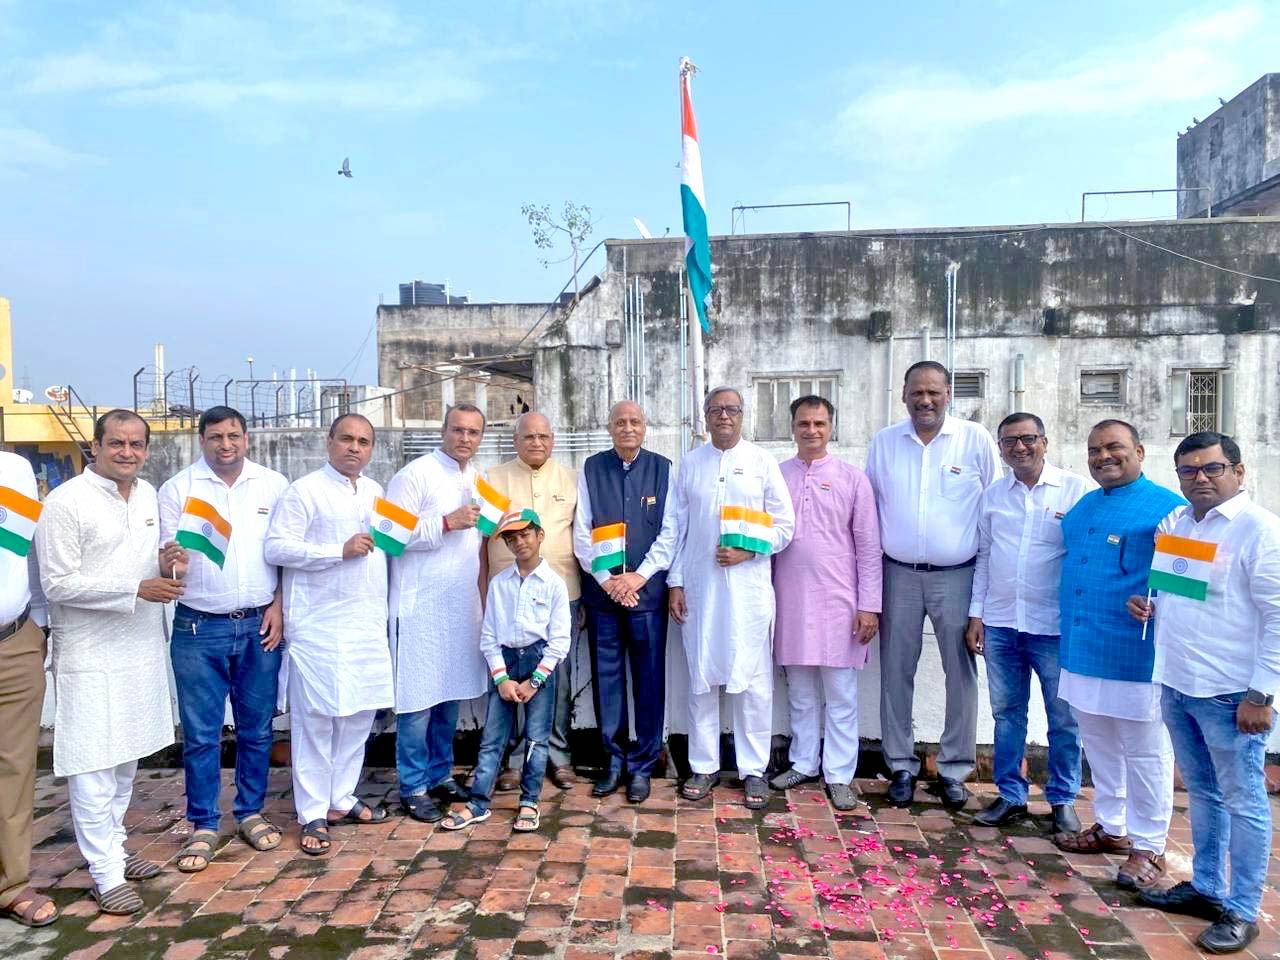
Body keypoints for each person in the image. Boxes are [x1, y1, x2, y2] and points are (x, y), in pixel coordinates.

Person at [1128, 432, 1280, 953]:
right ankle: (1208, 888)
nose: (1200, 478)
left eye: (1212, 468)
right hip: (1178, 682)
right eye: (1189, 471)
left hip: (1232, 694)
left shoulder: (1259, 530)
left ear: (1238, 472)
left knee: (1245, 802)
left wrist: (1262, 694)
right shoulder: (1180, 523)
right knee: (1203, 792)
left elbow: (1278, 616)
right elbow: (1184, 592)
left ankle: (1243, 910)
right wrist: (1151, 605)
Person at [36, 410, 183, 915]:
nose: (127, 452)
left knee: (125, 760)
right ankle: (104, 873)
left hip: (138, 647)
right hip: (90, 651)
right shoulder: (65, 502)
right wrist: (136, 588)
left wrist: (164, 563)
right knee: (93, 763)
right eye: (116, 443)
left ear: (147, 450)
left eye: (136, 444)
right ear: (95, 446)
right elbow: (57, 583)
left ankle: (115, 850)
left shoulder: (146, 494)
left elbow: (137, 562)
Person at [1053, 420, 1184, 890]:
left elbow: (1188, 584)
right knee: (1099, 742)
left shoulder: (1171, 509)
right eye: (1095, 450)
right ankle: (1112, 827)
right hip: (1082, 647)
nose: (1103, 456)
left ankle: (1150, 846)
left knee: (1145, 752)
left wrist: (1157, 603)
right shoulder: (1083, 507)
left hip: (1135, 652)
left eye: (1114, 447)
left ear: (1140, 452)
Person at [158, 406, 289, 872]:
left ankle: (250, 811)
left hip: (258, 624)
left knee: (257, 729)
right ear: (202, 441)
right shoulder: (179, 489)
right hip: (199, 627)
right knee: (201, 734)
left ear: (246, 438)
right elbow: (164, 561)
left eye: (233, 435)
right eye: (216, 437)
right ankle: (204, 823)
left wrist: (278, 605)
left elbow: (283, 555)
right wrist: (170, 560)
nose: (226, 444)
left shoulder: (273, 485)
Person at [865, 361, 1001, 809]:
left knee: (960, 673)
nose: (925, 400)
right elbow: (870, 512)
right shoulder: (885, 442)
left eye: (934, 392)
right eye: (917, 392)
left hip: (957, 575)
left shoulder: (974, 440)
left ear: (948, 394)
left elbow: (993, 513)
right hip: (897, 573)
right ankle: (900, 766)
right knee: (895, 671)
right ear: (904, 394)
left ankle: (955, 768)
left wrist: (981, 603)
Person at [265, 414, 394, 855]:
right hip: (318, 625)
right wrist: (336, 551)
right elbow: (277, 547)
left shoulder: (376, 492)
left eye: (363, 441)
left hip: (366, 621)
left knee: (358, 714)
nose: (354, 447)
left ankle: (341, 796)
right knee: (316, 720)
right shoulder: (304, 491)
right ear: (329, 442)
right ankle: (313, 811)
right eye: (347, 439)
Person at [669, 387, 795, 810]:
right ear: (705, 416)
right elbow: (677, 529)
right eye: (716, 410)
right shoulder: (691, 464)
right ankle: (703, 766)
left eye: (731, 409)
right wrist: (675, 583)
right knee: (701, 677)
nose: (724, 416)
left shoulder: (762, 462)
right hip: (700, 590)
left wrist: (748, 551)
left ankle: (753, 769)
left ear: (743, 415)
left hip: (748, 593)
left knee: (753, 681)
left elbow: (785, 526)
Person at [965, 413, 1089, 833]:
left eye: (1028, 438)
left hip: (1053, 626)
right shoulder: (993, 496)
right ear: (1000, 448)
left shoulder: (1075, 491)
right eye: (1010, 441)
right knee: (1007, 714)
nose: (1020, 447)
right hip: (1001, 623)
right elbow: (984, 556)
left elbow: (1085, 555)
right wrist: (977, 614)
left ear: (1044, 442)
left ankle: (1062, 798)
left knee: (1063, 718)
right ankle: (1011, 795)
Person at [769, 395, 880, 811]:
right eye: (804, 423)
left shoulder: (853, 479)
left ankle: (839, 774)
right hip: (790, 600)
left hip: (840, 602)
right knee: (799, 690)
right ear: (792, 428)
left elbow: (869, 547)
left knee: (841, 694)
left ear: (831, 428)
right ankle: (803, 762)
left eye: (819, 423)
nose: (811, 430)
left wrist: (869, 606)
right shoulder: (776, 476)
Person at [385, 402, 490, 822]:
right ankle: (412, 785)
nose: (465, 438)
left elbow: (481, 541)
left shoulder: (477, 478)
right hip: (420, 607)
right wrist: (445, 523)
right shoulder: (413, 475)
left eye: (473, 432)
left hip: (459, 604)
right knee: (417, 700)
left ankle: (439, 773)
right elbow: (390, 538)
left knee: (449, 695)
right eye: (458, 430)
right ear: (443, 431)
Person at [441, 509, 571, 833]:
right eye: (512, 538)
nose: (519, 542)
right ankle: (478, 803)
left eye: (525, 534)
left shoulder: (554, 584)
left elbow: (560, 641)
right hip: (505, 662)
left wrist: (535, 680)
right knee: (492, 738)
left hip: (539, 663)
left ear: (540, 535)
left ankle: (529, 801)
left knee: (537, 738)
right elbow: (489, 636)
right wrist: (501, 678)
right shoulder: (500, 584)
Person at [573, 400, 677, 803]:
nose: (628, 427)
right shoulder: (591, 469)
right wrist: (608, 581)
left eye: (635, 421)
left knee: (649, 681)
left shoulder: (663, 469)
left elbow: (670, 531)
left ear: (644, 427)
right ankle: (613, 762)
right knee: (607, 681)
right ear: (610, 427)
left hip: (646, 596)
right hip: (604, 597)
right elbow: (582, 532)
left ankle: (643, 766)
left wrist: (638, 577)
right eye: (620, 422)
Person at [486, 412, 580, 793]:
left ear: (553, 439)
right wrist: (481, 589)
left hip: (563, 591)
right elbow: (480, 541)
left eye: (543, 436)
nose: (536, 442)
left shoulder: (572, 479)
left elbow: (582, 536)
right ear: (515, 441)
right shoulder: (493, 480)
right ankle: (512, 760)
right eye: (528, 436)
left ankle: (558, 755)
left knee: (557, 676)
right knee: (507, 675)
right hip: (507, 593)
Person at [0, 452, 56, 927]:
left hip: (15, 640)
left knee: (14, 768)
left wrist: (37, 624)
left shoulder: (14, 470)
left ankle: (10, 883)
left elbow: (29, 549)